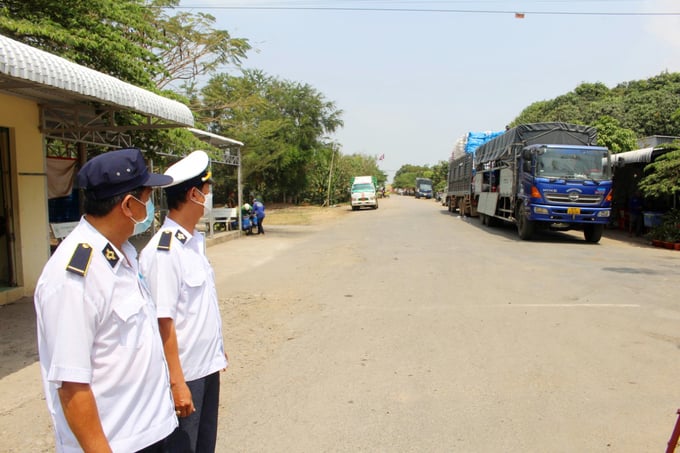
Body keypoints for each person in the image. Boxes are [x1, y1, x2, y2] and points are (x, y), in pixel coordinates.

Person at [34, 148, 178, 453]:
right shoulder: (74, 277)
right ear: (128, 205)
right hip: (116, 443)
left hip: (149, 432)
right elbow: (72, 385)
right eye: (148, 197)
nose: (150, 207)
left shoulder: (123, 254)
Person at [140, 150, 228, 453]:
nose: (209, 194)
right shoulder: (164, 252)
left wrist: (216, 354)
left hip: (206, 368)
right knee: (183, 447)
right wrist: (177, 383)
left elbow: (199, 309)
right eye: (207, 190)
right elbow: (163, 322)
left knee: (204, 445)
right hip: (186, 376)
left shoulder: (193, 243)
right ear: (193, 194)